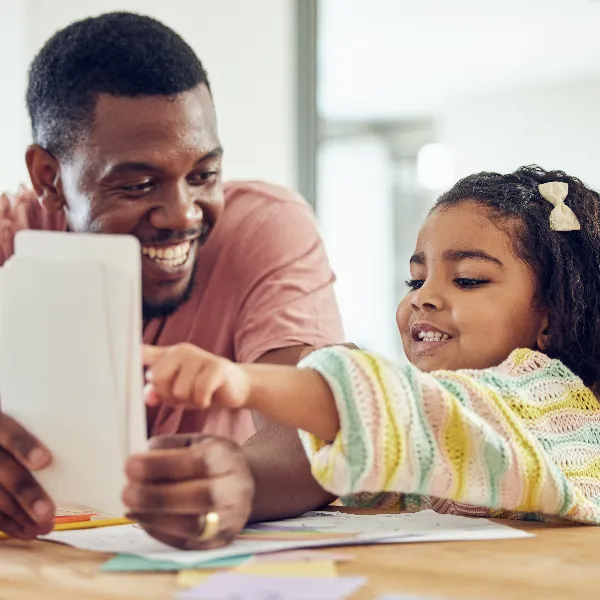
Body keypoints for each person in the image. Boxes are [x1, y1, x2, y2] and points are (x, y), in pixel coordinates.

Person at [0, 12, 344, 547]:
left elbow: (318, 420)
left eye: (203, 175)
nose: (184, 214)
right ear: (49, 177)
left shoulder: (264, 228)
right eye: (138, 184)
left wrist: (242, 480)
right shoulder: (10, 242)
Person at [143, 165, 600, 523]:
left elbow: (404, 411)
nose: (424, 298)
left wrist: (241, 381)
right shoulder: (427, 423)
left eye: (468, 280)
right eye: (415, 279)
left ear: (553, 318)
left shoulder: (551, 403)